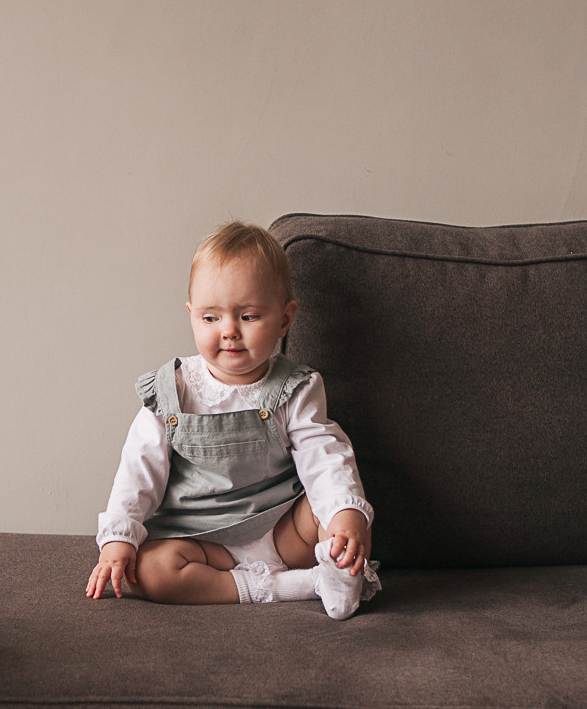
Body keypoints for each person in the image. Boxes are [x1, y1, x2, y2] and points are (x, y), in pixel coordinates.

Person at [85, 220, 380, 619]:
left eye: (248, 316)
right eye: (210, 318)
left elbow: (324, 455)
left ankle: (338, 572)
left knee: (340, 517)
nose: (228, 332)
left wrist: (344, 514)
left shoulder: (295, 388)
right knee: (150, 571)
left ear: (285, 319)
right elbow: (138, 472)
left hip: (282, 533)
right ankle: (285, 587)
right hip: (203, 544)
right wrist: (118, 539)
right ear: (191, 315)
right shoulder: (171, 392)